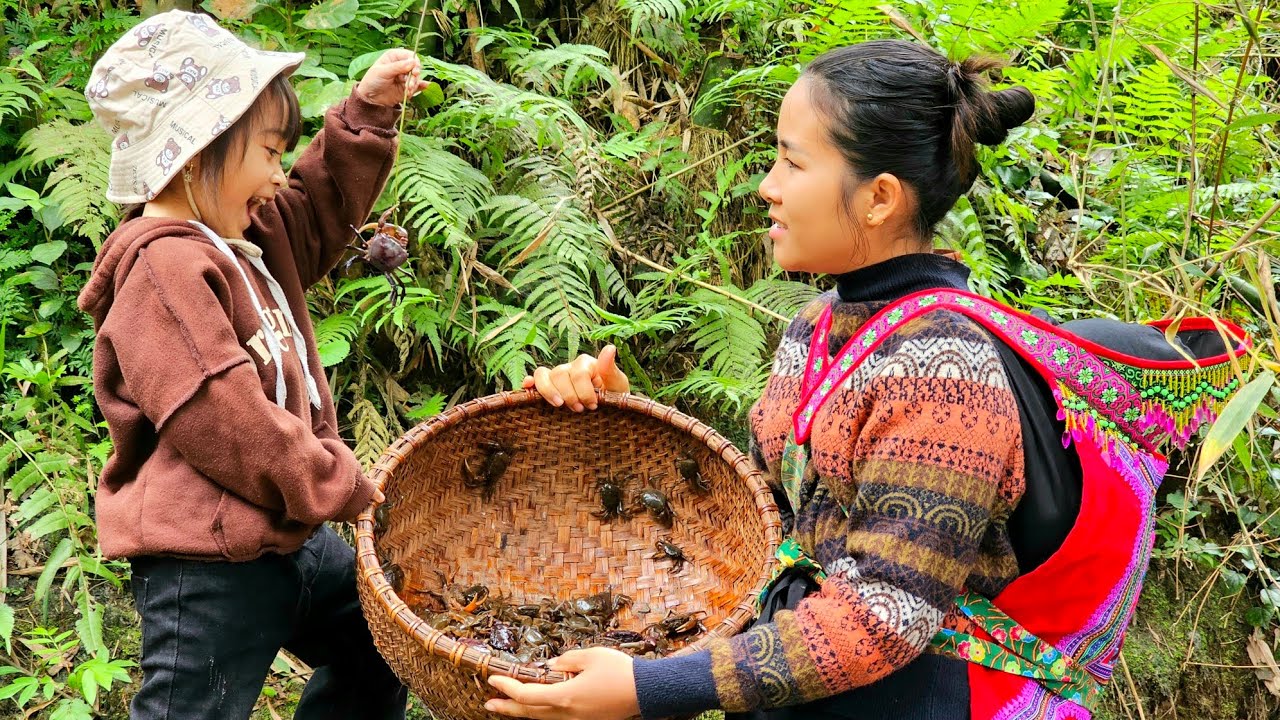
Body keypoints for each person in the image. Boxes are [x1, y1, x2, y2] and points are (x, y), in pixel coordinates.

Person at [483, 39, 1248, 720]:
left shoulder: (942, 371)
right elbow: (775, 508)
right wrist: (629, 424)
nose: (767, 188)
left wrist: (655, 688)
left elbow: (885, 615)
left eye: (793, 161)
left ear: (880, 197)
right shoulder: (817, 327)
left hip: (928, 694)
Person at [77, 10, 426, 718]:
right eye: (268, 152)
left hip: (282, 537)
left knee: (380, 641)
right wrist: (338, 482)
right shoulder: (164, 267)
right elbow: (225, 417)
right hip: (203, 561)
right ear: (198, 145)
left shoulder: (239, 236)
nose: (276, 173)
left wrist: (366, 115)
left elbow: (316, 207)